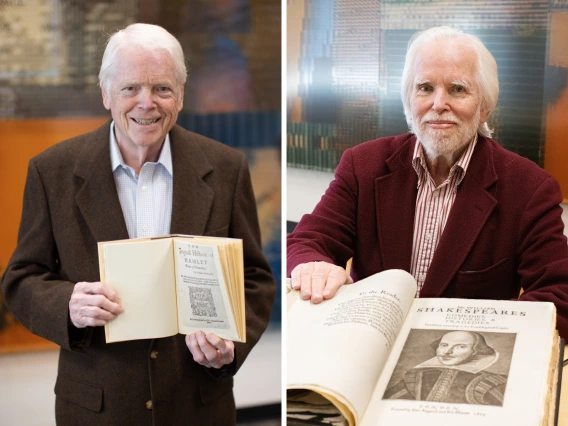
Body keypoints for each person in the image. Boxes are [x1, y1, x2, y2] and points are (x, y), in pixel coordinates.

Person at [1, 23, 276, 425]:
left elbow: (255, 277)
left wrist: (231, 342)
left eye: (162, 88)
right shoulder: (52, 170)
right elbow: (21, 279)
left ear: (180, 96)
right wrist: (68, 305)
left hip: (197, 405)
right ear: (106, 94)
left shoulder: (226, 167)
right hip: (97, 408)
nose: (146, 103)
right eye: (130, 88)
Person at [287, 26, 568, 339]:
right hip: (364, 347)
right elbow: (308, 240)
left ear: (484, 106)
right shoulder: (362, 165)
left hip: (459, 361)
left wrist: (487, 338)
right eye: (425, 88)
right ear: (409, 100)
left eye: (458, 89)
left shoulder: (529, 189)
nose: (438, 104)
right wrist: (315, 266)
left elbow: (560, 295)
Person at [383, 331, 507, 405]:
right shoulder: (415, 376)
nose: (447, 351)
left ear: (475, 351)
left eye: (460, 347)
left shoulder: (490, 382)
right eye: (444, 345)